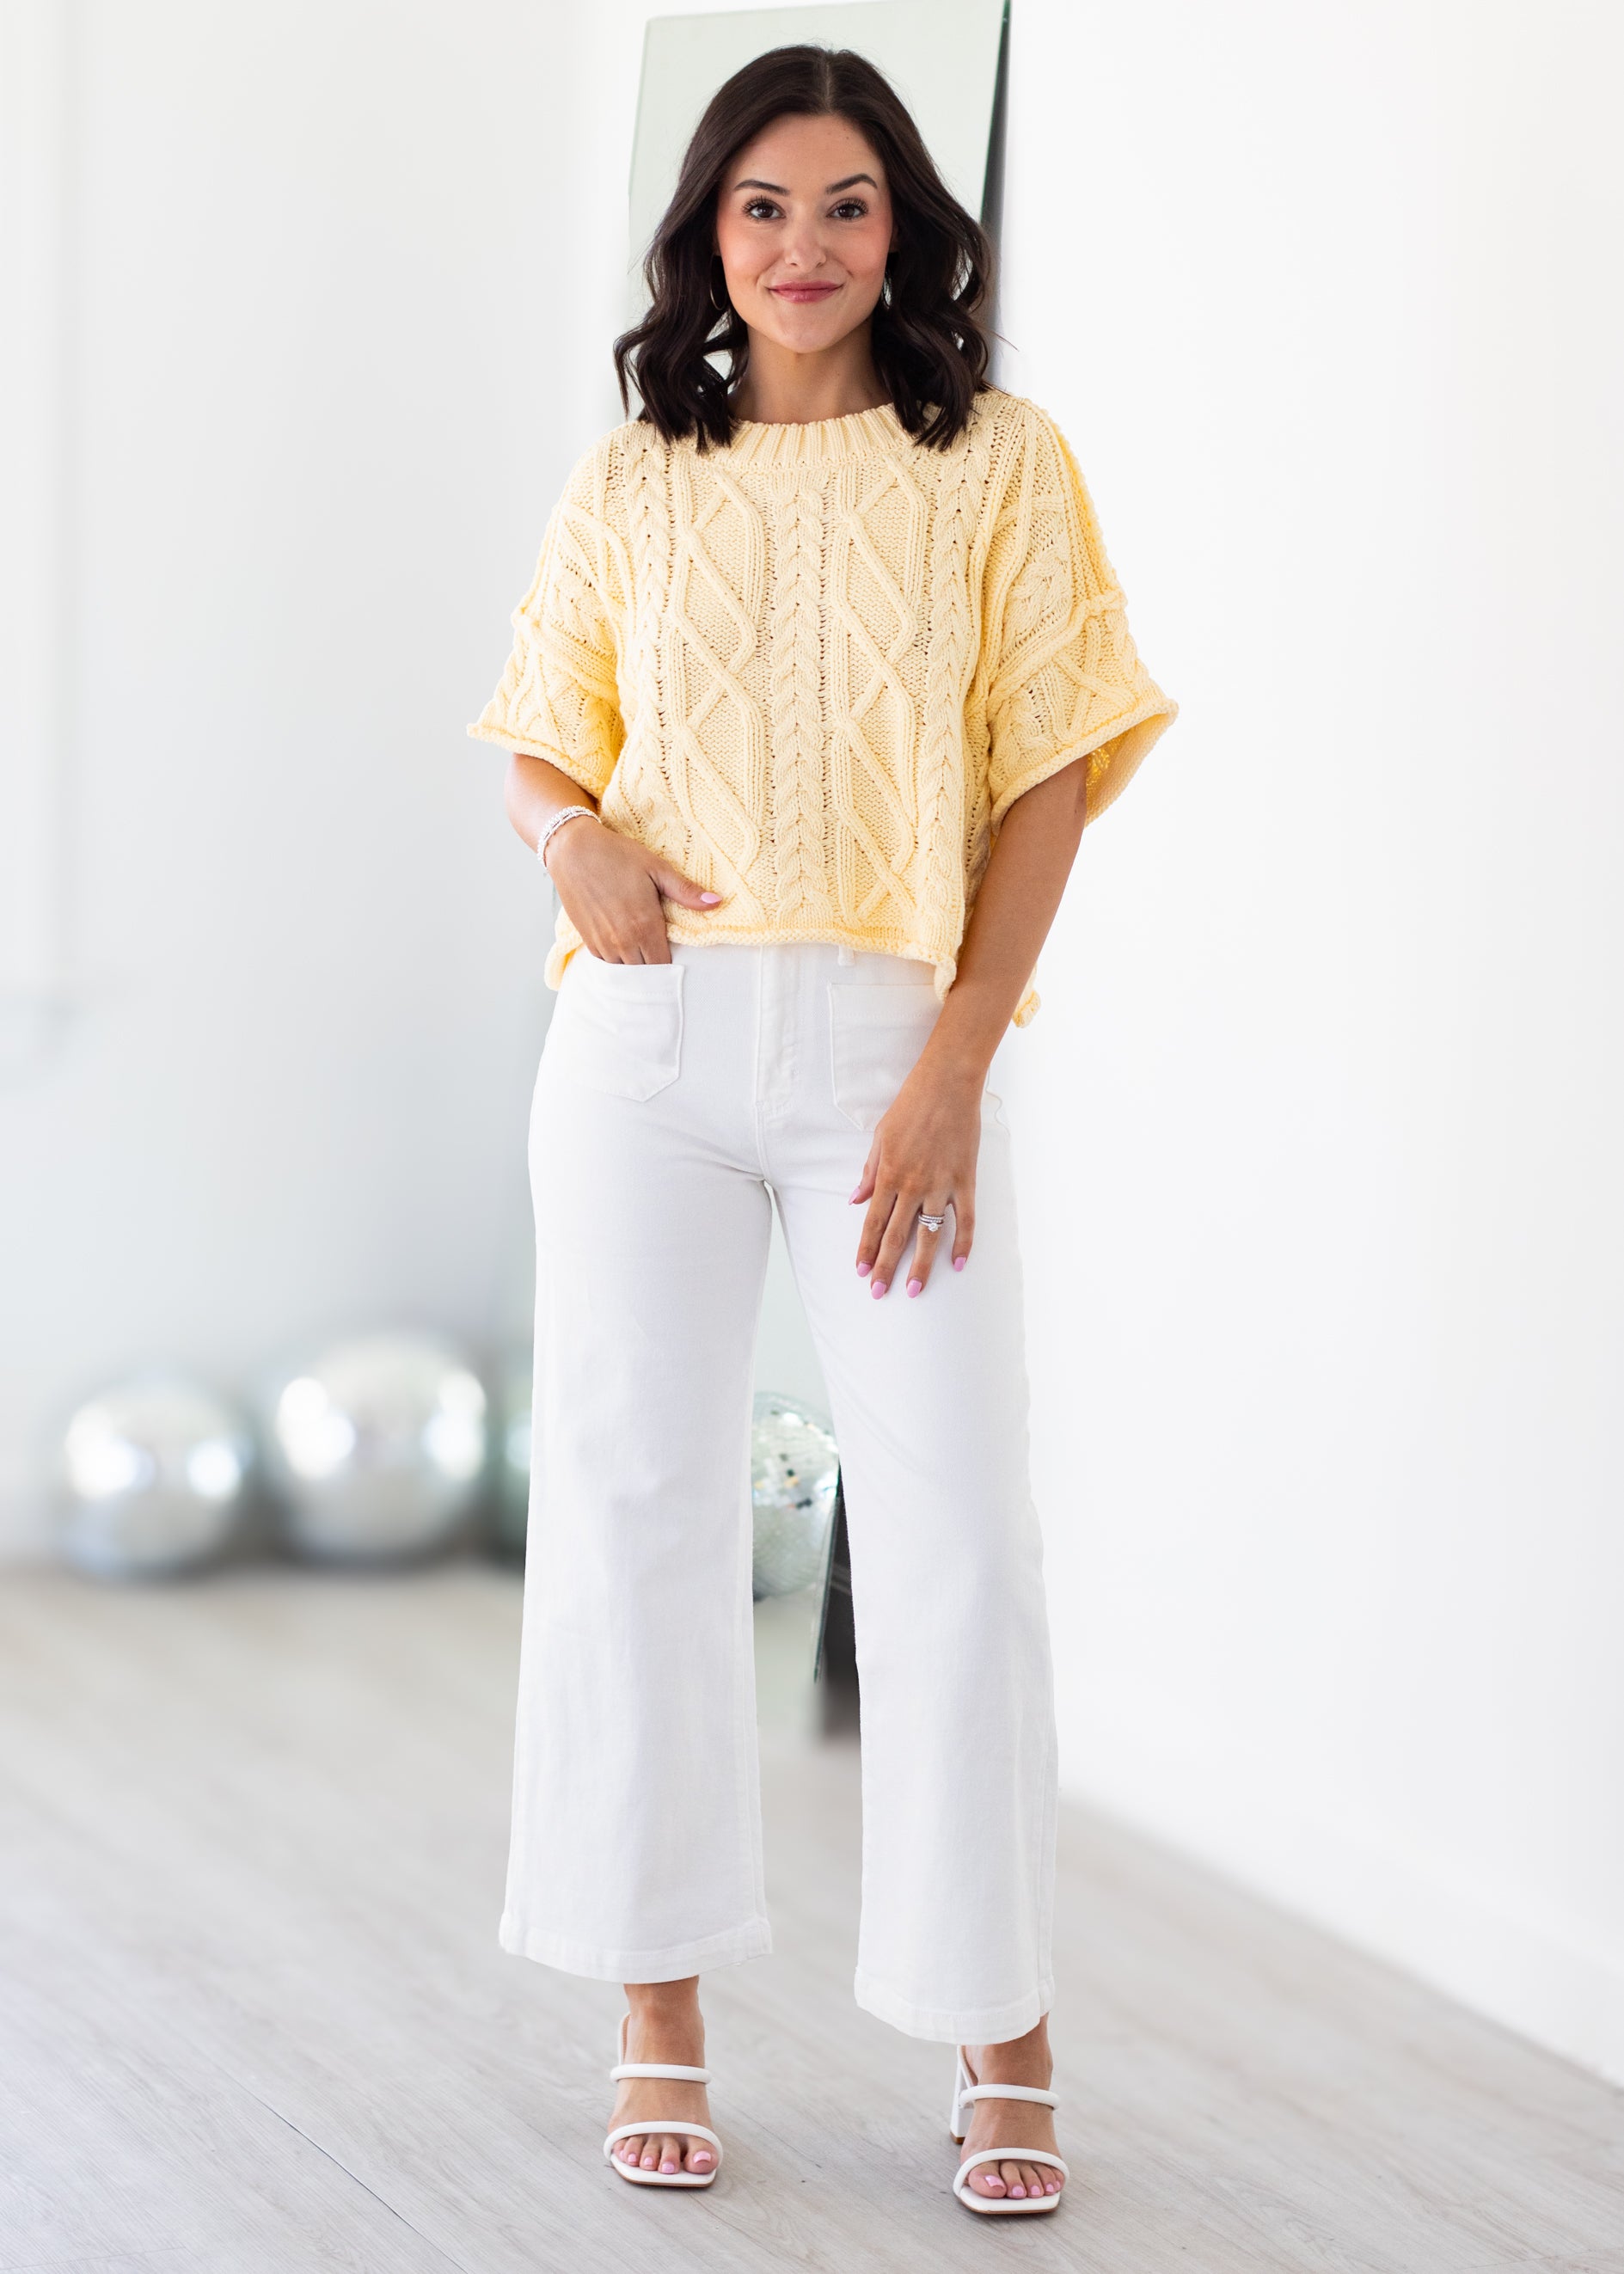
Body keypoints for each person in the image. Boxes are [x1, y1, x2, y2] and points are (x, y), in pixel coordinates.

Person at [467, 41, 1177, 2216]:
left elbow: (1049, 769)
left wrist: (961, 1052)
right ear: (707, 235)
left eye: (848, 205)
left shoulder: (1002, 469)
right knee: (635, 1505)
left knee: (959, 1535)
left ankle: (1002, 2029)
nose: (802, 249)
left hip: (892, 1044)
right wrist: (570, 838)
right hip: (648, 1051)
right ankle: (654, 2004)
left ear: (908, 233)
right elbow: (537, 742)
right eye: (761, 208)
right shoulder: (633, 479)